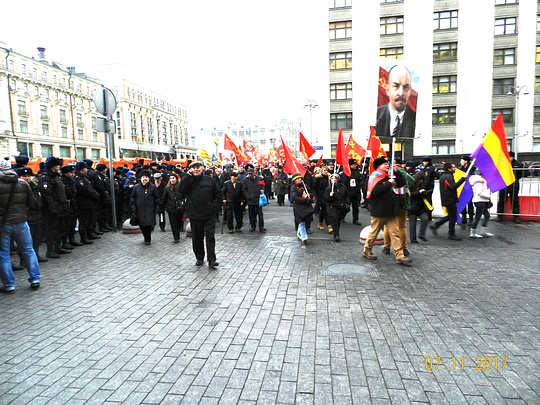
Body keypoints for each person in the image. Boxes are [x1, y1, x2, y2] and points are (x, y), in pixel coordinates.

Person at [361, 157, 412, 266]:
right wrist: (389, 183)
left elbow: (401, 183)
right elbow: (376, 191)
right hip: (379, 211)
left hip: (391, 211)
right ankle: (367, 250)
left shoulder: (389, 176)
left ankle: (400, 255)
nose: (387, 166)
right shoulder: (374, 178)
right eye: (385, 164)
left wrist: (397, 172)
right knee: (373, 233)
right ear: (378, 166)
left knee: (395, 233)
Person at [0, 158, 41, 293]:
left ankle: (9, 285)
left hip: (3, 225)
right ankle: (35, 278)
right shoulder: (23, 183)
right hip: (21, 222)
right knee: (28, 250)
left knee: (3, 254)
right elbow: (31, 202)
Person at [177, 161, 222, 268]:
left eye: (198, 167)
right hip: (194, 214)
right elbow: (180, 190)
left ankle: (212, 259)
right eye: (193, 168)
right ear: (190, 169)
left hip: (209, 214)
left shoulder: (210, 180)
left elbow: (218, 194)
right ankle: (199, 257)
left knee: (210, 237)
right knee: (197, 238)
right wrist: (188, 176)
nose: (196, 169)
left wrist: (214, 207)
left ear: (202, 168)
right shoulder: (188, 180)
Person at [38, 156, 72, 258]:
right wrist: (53, 209)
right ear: (52, 166)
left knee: (59, 229)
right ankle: (50, 250)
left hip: (60, 206)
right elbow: (47, 195)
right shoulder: (46, 177)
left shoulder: (56, 176)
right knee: (51, 230)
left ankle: (57, 247)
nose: (59, 166)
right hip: (52, 209)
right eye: (57, 165)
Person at [375, 64, 416, 140]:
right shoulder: (375, 116)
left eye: (405, 87)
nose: (401, 93)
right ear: (387, 89)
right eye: (396, 86)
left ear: (410, 91)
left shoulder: (416, 121)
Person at [429, 162, 467, 241]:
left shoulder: (445, 176)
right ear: (449, 169)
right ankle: (451, 234)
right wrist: (463, 179)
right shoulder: (447, 177)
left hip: (448, 198)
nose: (455, 168)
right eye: (453, 167)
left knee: (451, 215)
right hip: (449, 199)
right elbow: (453, 186)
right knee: (453, 216)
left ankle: (436, 225)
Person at [17, 168, 48, 263]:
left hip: (37, 215)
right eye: (24, 176)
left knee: (36, 238)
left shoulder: (33, 186)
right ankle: (23, 259)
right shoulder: (18, 187)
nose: (27, 178)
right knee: (25, 240)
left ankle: (35, 255)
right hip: (26, 216)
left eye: (28, 176)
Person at [130, 170, 160, 245]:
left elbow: (157, 197)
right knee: (142, 225)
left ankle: (147, 238)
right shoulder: (136, 187)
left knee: (148, 225)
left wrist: (157, 205)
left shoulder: (152, 187)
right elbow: (133, 197)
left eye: (146, 177)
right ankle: (145, 236)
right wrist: (132, 204)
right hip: (139, 209)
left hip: (150, 209)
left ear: (149, 178)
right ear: (140, 178)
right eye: (143, 177)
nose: (145, 179)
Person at [74, 161, 101, 244]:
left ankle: (89, 234)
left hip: (89, 202)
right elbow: (86, 190)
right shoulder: (79, 179)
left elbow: (90, 188)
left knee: (89, 219)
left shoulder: (84, 177)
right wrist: (96, 195)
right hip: (83, 203)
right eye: (85, 168)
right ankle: (83, 237)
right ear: (82, 169)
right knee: (84, 220)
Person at [496, 151, 523, 223]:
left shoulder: (518, 164)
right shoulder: (502, 164)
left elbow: (519, 175)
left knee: (514, 200)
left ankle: (516, 216)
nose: (508, 158)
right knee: (502, 199)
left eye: (510, 157)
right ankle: (499, 215)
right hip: (504, 184)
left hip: (514, 185)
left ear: (512, 157)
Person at [290, 173, 316, 244]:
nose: (300, 179)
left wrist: (309, 195)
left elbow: (312, 193)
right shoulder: (293, 188)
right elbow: (295, 198)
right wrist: (305, 199)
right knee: (301, 220)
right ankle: (304, 237)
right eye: (298, 179)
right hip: (298, 206)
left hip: (306, 206)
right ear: (295, 180)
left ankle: (299, 233)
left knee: (305, 220)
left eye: (301, 178)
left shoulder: (305, 186)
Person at [323, 173, 350, 242]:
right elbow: (326, 199)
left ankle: (336, 230)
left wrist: (347, 202)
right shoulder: (329, 188)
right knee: (334, 218)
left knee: (338, 220)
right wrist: (330, 196)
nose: (334, 180)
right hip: (332, 206)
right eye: (332, 178)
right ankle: (336, 234)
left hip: (341, 206)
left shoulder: (343, 187)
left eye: (335, 178)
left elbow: (347, 195)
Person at [469, 170, 494, 238]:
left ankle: (482, 231)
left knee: (487, 215)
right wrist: (487, 196)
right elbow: (479, 192)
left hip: (480, 201)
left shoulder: (480, 181)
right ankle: (473, 232)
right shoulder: (480, 182)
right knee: (478, 217)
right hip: (480, 201)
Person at [160, 172, 184, 243]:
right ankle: (176, 237)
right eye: (171, 178)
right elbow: (164, 198)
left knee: (179, 222)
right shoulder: (167, 188)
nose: (172, 180)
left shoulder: (180, 187)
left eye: (173, 178)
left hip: (179, 208)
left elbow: (184, 196)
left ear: (176, 179)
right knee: (173, 224)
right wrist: (161, 207)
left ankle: (179, 232)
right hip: (171, 208)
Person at [408, 172, 432, 243]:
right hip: (412, 207)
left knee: (425, 219)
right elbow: (409, 194)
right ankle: (413, 239)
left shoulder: (422, 185)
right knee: (412, 224)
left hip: (420, 206)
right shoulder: (412, 184)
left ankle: (421, 234)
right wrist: (419, 192)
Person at [242, 168, 266, 232]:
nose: (250, 175)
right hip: (250, 200)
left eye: (251, 173)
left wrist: (262, 190)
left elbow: (263, 185)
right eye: (249, 173)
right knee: (251, 214)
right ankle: (253, 226)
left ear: (253, 173)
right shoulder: (245, 180)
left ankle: (261, 227)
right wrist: (248, 196)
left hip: (258, 199)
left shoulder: (259, 179)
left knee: (260, 214)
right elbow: (244, 189)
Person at [341, 158, 362, 225]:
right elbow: (344, 182)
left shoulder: (357, 172)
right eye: (353, 164)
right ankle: (342, 217)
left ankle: (355, 219)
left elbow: (360, 181)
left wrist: (360, 185)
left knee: (356, 207)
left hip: (356, 193)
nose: (355, 166)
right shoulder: (346, 173)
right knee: (346, 207)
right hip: (348, 193)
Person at [458, 155, 476, 227]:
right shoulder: (461, 168)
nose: (460, 162)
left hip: (470, 188)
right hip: (463, 188)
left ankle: (471, 218)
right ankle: (464, 217)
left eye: (462, 161)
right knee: (463, 202)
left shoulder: (472, 168)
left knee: (470, 203)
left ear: (466, 161)